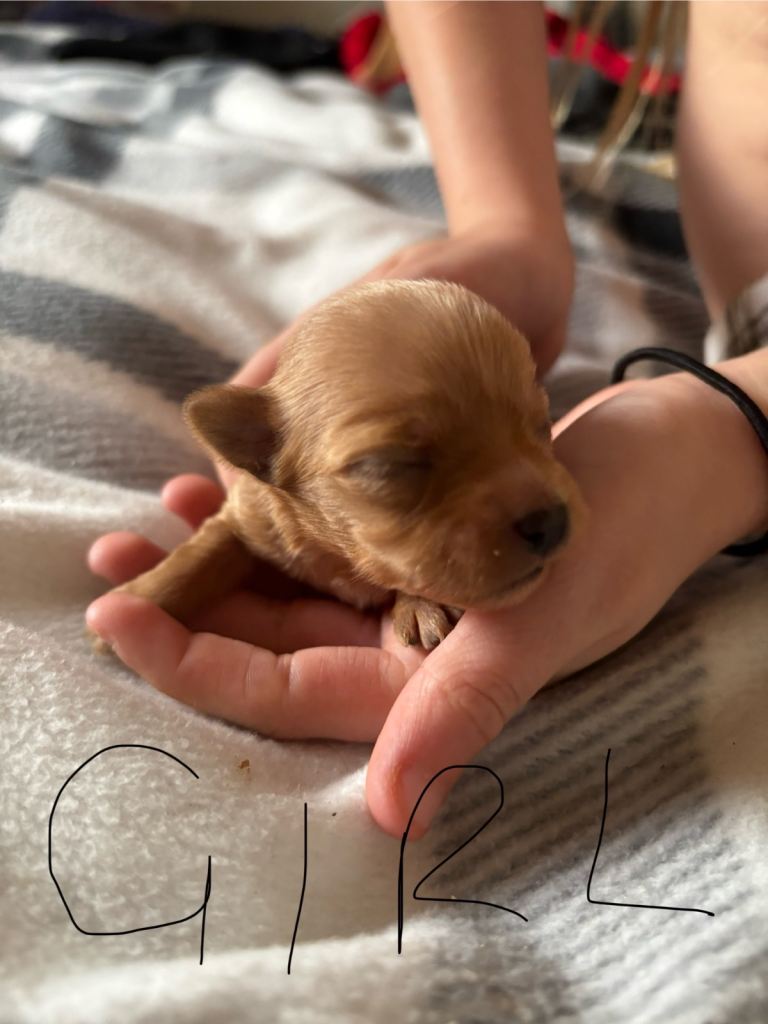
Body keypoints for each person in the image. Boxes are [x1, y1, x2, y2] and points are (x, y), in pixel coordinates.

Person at [86, 1, 768, 838]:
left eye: (535, 419)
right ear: (262, 452)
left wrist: (737, 426)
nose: (535, 492)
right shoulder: (272, 486)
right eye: (400, 468)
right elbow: (232, 533)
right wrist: (506, 221)